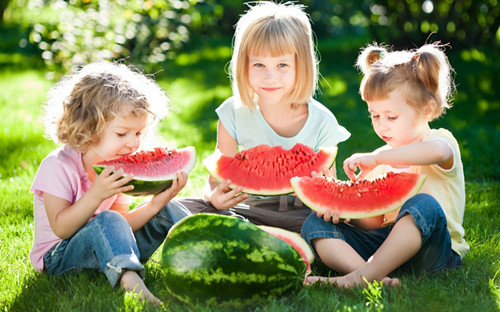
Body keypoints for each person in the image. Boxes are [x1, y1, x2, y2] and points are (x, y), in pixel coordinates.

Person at [301, 42, 468, 287]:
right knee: (314, 224)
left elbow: (435, 152)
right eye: (374, 115)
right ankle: (374, 277)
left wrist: (378, 158)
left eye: (391, 117)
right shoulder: (379, 158)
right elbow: (373, 221)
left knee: (424, 205)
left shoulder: (440, 141)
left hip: (433, 251)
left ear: (427, 109)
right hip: (384, 249)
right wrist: (345, 212)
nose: (382, 125)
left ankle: (358, 278)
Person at [180, 1, 350, 232]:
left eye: (282, 64)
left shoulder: (322, 122)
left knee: (339, 224)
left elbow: (327, 186)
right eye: (259, 64)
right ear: (244, 65)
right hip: (247, 209)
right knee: (180, 207)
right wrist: (214, 197)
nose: (271, 77)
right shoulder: (232, 113)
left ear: (302, 66)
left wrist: (330, 205)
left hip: (304, 214)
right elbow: (216, 180)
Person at [30, 61, 191, 304]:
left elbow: (122, 225)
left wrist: (157, 204)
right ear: (89, 127)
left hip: (109, 248)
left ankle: (206, 258)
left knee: (169, 209)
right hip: (59, 257)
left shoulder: (120, 164)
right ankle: (132, 285)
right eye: (121, 133)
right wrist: (96, 194)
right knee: (108, 219)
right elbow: (61, 229)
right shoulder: (57, 166)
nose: (132, 144)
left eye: (138, 133)